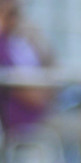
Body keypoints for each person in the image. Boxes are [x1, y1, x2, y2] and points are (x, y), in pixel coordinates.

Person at [0, 0, 53, 137]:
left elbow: (50, 61)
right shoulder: (2, 44)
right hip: (23, 122)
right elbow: (28, 94)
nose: (16, 19)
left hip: (39, 115)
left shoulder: (19, 41)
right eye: (12, 14)